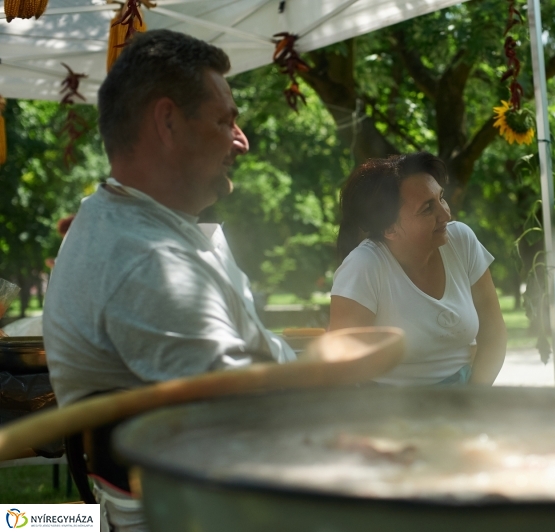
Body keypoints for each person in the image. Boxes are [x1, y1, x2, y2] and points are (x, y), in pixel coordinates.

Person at [43, 30, 295, 531]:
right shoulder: (147, 261)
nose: (241, 140)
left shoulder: (128, 222)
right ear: (167, 122)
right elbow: (253, 424)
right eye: (225, 121)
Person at [329, 152, 506, 386]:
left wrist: (472, 399)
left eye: (441, 198)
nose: (445, 214)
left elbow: (494, 335)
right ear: (390, 229)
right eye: (427, 209)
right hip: (387, 402)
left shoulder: (461, 241)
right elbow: (343, 366)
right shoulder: (364, 267)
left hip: (465, 393)